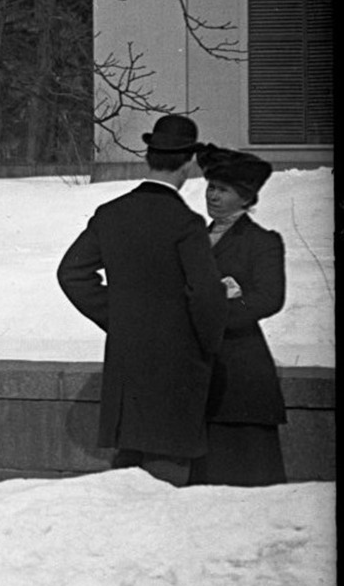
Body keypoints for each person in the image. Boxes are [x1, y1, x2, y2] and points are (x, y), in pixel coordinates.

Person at [53, 113, 227, 483]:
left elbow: (71, 273)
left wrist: (119, 317)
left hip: (127, 368)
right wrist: (208, 345)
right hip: (177, 369)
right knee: (169, 482)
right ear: (188, 164)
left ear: (149, 158)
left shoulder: (111, 214)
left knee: (128, 485)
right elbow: (207, 295)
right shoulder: (187, 224)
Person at [194, 147, 290, 488]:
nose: (213, 196)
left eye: (223, 189)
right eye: (211, 187)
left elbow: (269, 298)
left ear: (245, 197)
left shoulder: (261, 242)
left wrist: (216, 312)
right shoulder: (193, 239)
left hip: (241, 372)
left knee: (247, 474)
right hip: (200, 370)